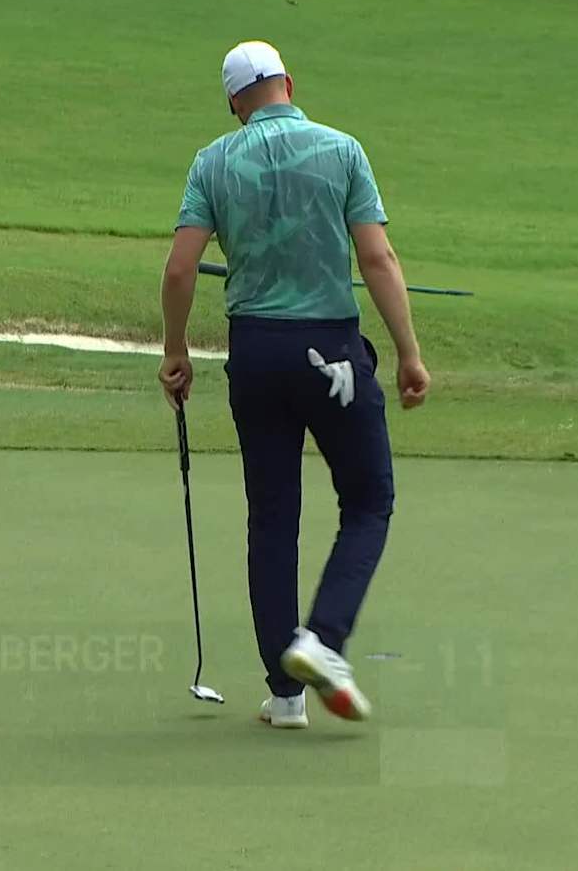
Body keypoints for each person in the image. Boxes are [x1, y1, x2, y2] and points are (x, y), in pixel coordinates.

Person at [158, 40, 430, 728]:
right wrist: (408, 353)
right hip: (331, 350)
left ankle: (285, 697)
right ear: (289, 84)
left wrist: (176, 351)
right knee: (369, 501)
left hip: (255, 353)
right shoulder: (342, 150)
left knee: (272, 518)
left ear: (234, 102)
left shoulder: (213, 161)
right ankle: (324, 640)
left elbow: (180, 271)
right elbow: (377, 256)